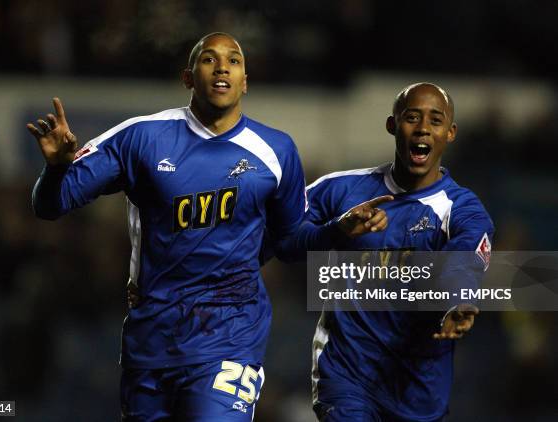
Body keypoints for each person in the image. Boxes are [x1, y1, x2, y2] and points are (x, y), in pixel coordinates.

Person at [27, 32, 386, 421]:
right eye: (209, 59)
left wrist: (337, 230)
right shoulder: (142, 138)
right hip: (151, 342)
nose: (222, 68)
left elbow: (288, 241)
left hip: (229, 337)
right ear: (187, 77)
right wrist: (57, 168)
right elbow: (52, 205)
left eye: (234, 61)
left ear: (245, 80)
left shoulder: (276, 151)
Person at [275, 82, 494, 421]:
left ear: (450, 133)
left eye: (435, 120)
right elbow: (284, 243)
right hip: (345, 374)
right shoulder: (339, 190)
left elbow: (463, 260)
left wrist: (456, 300)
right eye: (412, 117)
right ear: (392, 125)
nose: (422, 128)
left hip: (417, 388)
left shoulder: (462, 209)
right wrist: (336, 231)